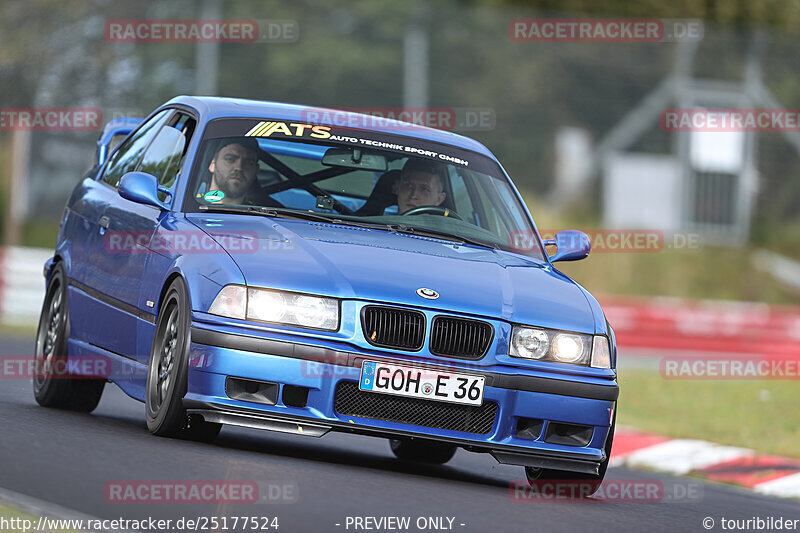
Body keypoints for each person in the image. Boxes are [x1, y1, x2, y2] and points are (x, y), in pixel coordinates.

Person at [200, 137, 261, 205]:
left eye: (248, 163)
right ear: (212, 164)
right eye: (230, 159)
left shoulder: (263, 213)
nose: (239, 167)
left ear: (256, 170)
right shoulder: (189, 206)